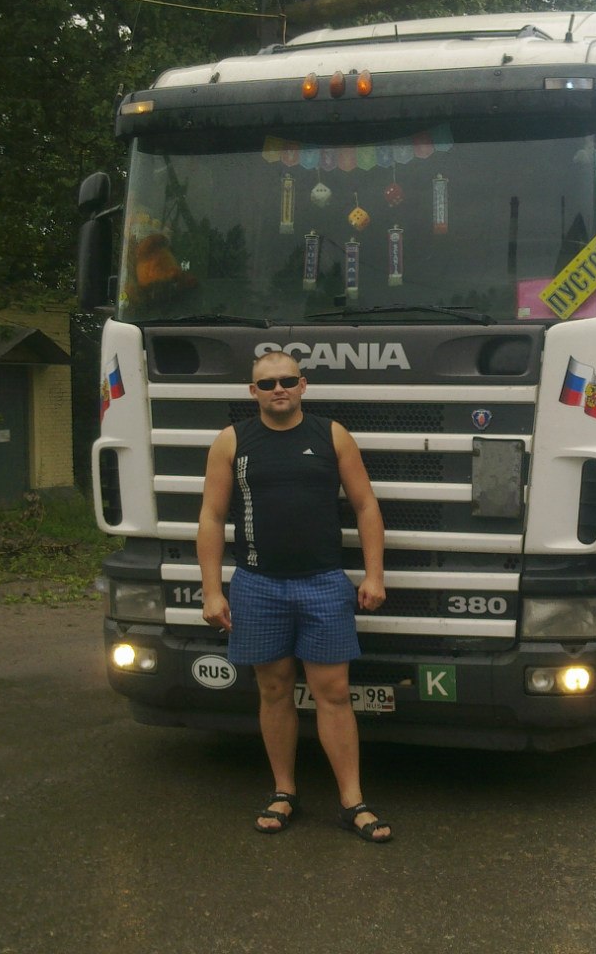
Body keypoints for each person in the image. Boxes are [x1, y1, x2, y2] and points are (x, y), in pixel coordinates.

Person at [197, 351, 391, 843]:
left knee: (334, 693)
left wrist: (374, 575)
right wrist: (212, 590)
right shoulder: (231, 441)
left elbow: (366, 505)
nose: (277, 389)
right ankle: (284, 792)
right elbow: (212, 518)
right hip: (257, 584)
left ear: (303, 385)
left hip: (323, 582)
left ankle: (352, 802)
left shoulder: (332, 435)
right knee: (274, 690)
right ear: (253, 392)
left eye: (286, 381)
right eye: (266, 384)